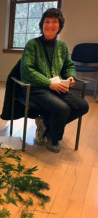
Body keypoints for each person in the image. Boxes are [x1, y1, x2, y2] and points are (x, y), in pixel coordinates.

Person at [20, 8, 89, 153]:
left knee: (82, 106)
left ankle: (45, 124)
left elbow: (69, 65)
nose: (50, 25)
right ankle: (53, 138)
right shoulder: (32, 44)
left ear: (60, 26)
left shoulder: (62, 46)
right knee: (62, 108)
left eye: (54, 22)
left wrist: (71, 76)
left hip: (57, 86)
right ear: (41, 24)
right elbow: (27, 70)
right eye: (47, 22)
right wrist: (49, 83)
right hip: (36, 87)